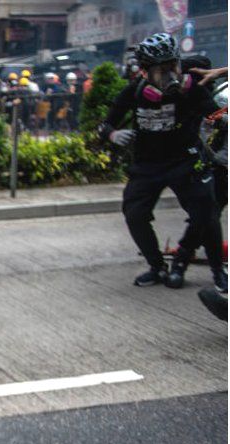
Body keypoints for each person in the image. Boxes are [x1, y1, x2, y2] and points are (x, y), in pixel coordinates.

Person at [99, 32, 225, 291]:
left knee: (207, 215)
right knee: (134, 215)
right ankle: (157, 267)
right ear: (145, 72)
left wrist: (220, 117)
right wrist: (112, 134)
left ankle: (216, 271)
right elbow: (104, 124)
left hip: (185, 161)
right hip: (147, 165)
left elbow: (214, 113)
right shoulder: (134, 93)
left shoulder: (193, 90)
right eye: (161, 69)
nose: (170, 74)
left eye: (173, 66)